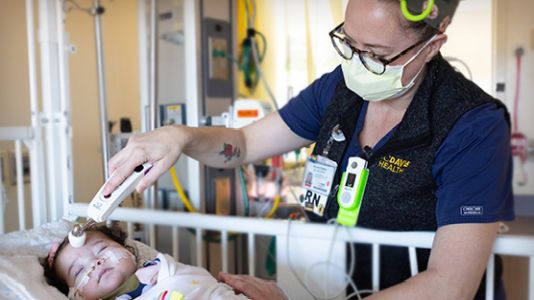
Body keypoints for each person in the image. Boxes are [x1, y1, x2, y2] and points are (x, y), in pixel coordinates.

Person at [102, 0, 514, 299]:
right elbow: (244, 144)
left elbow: (450, 285)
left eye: (375, 55)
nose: (355, 62)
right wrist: (181, 136)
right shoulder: (340, 89)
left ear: (432, 46)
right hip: (341, 286)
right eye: (349, 44)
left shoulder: (472, 124)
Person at [43, 224, 249, 300]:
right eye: (79, 271)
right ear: (76, 296)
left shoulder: (162, 270)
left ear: (128, 251)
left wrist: (162, 274)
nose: (95, 262)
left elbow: (200, 282)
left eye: (102, 249)